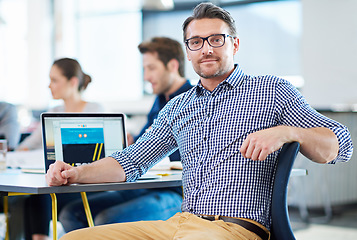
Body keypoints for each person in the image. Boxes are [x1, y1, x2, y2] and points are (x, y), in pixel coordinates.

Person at [46, 3, 353, 240]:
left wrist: (287, 132)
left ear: (234, 44)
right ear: (188, 53)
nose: (206, 48)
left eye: (216, 39)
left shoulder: (271, 90)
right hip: (180, 223)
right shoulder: (178, 106)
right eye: (196, 42)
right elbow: (129, 162)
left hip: (236, 228)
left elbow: (340, 146)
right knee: (76, 236)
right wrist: (74, 173)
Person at [58, 37, 192, 233]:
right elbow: (143, 145)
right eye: (144, 69)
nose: (146, 76)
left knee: (107, 219)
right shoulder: (160, 101)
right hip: (143, 186)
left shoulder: (191, 101)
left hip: (174, 192)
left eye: (151, 68)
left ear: (172, 66)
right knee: (72, 213)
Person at [18, 58, 104, 240]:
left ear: (73, 82)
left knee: (42, 197)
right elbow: (27, 146)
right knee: (32, 199)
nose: (49, 86)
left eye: (54, 80)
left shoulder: (95, 110)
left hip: (90, 184)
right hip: (64, 181)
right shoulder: (52, 113)